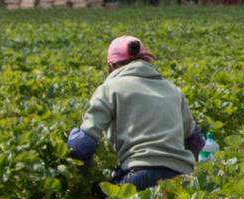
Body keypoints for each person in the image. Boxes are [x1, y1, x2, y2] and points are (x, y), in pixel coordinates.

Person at [66, 35, 204, 189]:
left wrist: (75, 169)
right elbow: (195, 140)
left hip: (139, 175)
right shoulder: (172, 89)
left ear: (111, 65)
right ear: (145, 60)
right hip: (182, 178)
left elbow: (84, 142)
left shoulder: (110, 88)